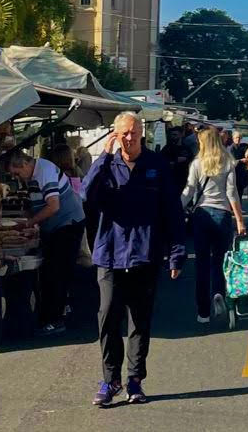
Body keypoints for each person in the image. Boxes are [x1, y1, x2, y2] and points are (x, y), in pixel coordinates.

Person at [82, 111, 186, 408]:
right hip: (109, 255)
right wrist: (103, 157)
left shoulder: (157, 165)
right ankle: (110, 379)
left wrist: (176, 253)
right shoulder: (106, 165)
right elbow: (87, 195)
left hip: (145, 254)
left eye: (134, 133)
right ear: (114, 134)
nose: (129, 138)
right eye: (123, 133)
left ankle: (135, 380)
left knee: (140, 322)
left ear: (142, 134)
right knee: (107, 318)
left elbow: (172, 211)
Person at [8, 146, 86, 334]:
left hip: (67, 224)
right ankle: (57, 311)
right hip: (56, 226)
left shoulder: (45, 171)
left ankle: (54, 320)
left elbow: (53, 206)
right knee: (52, 272)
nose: (17, 178)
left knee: (55, 273)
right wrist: (30, 221)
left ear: (26, 163)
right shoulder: (34, 175)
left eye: (17, 173)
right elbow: (35, 202)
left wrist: (31, 223)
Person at [180, 127, 246, 324]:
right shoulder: (228, 162)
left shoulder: (197, 164)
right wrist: (240, 220)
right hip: (223, 216)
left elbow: (189, 190)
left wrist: (176, 209)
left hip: (201, 215)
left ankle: (203, 313)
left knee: (201, 263)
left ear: (203, 143)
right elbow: (232, 193)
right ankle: (218, 291)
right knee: (220, 261)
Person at [229, 131, 248, 202]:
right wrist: (241, 160)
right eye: (237, 138)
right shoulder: (231, 148)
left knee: (240, 190)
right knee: (235, 191)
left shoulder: (241, 147)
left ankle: (239, 207)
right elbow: (232, 161)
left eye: (240, 138)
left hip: (241, 171)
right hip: (234, 171)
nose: (238, 139)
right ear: (233, 138)